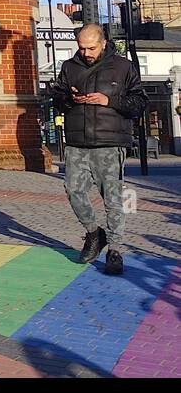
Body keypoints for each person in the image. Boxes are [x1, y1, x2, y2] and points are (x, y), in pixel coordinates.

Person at [47, 23, 147, 275]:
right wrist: (69, 99)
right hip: (77, 142)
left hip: (110, 142)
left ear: (103, 43)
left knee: (112, 199)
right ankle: (94, 233)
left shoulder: (123, 66)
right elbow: (56, 99)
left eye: (91, 48)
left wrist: (109, 100)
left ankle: (115, 249)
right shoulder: (69, 67)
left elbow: (139, 102)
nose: (86, 53)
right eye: (81, 48)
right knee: (73, 191)